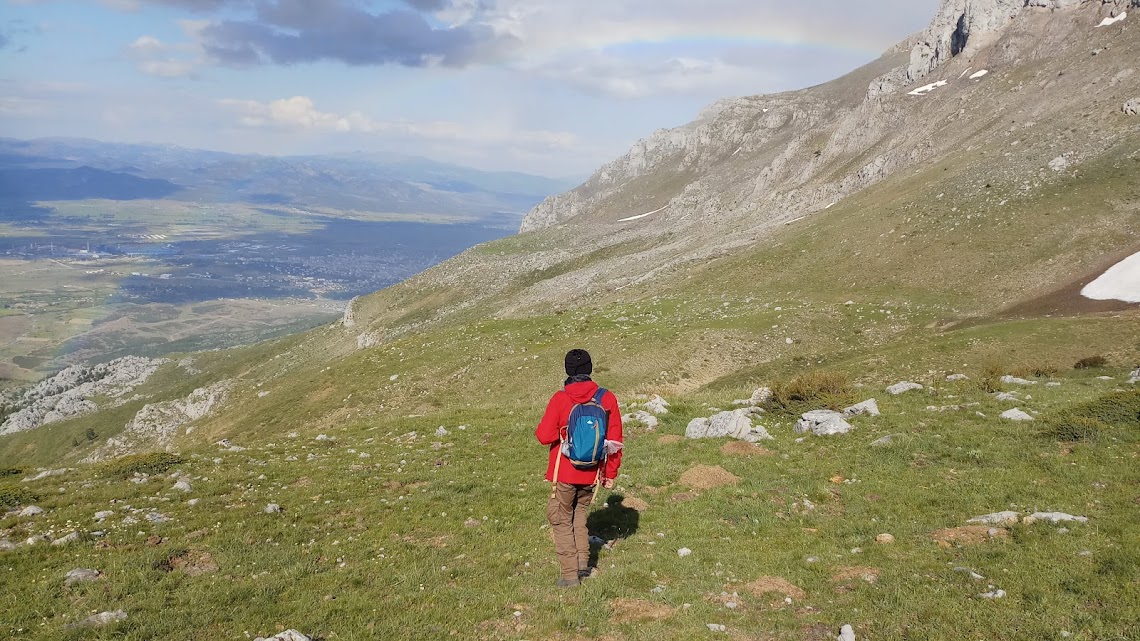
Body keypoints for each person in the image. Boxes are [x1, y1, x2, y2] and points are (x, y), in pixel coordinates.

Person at [535, 348, 623, 587]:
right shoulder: (606, 398)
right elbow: (615, 441)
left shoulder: (560, 398)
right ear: (590, 369)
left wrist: (561, 431)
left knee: (560, 518)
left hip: (563, 472)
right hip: (593, 472)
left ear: (567, 371)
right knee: (580, 515)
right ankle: (583, 564)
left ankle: (569, 575)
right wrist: (610, 473)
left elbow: (543, 436)